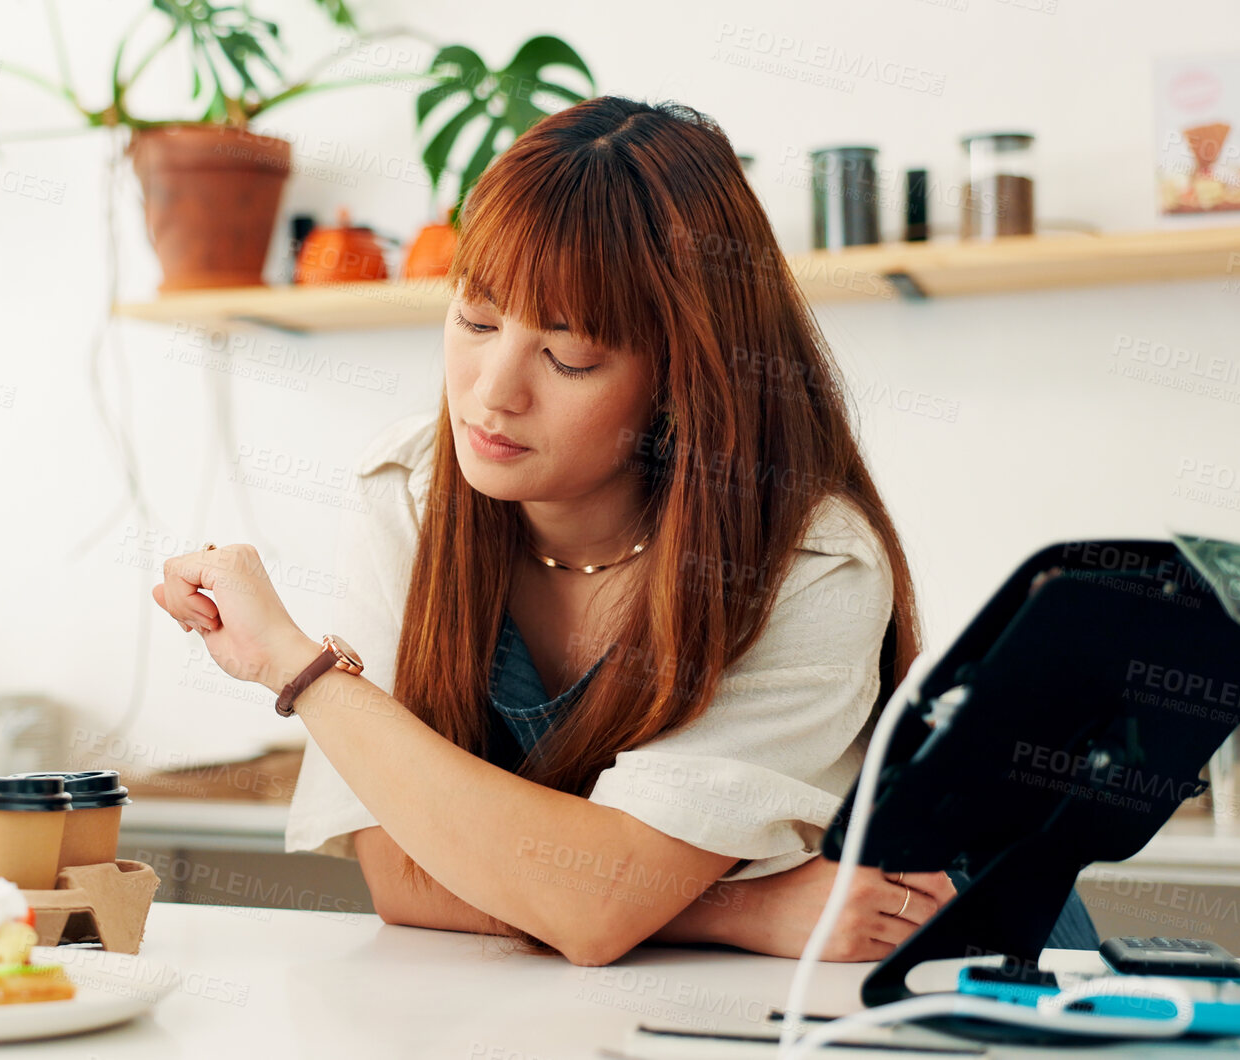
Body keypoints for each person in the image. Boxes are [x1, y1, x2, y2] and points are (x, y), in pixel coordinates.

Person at [152, 96, 964, 967]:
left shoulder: (808, 563)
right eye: (475, 320)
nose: (492, 392)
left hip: (929, 970)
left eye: (569, 355)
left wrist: (295, 664)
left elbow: (596, 907)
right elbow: (396, 869)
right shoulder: (417, 492)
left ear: (681, 378)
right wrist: (737, 910)